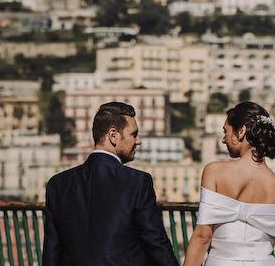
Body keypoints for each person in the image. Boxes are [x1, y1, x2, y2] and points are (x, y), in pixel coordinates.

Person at [42, 101, 179, 266]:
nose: (138, 141)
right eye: (134, 134)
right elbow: (155, 243)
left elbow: (51, 251)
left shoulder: (58, 184)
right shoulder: (137, 182)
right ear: (113, 135)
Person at [183, 102, 275, 266]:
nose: (223, 139)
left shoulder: (214, 172)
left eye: (226, 131)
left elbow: (203, 237)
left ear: (241, 131)